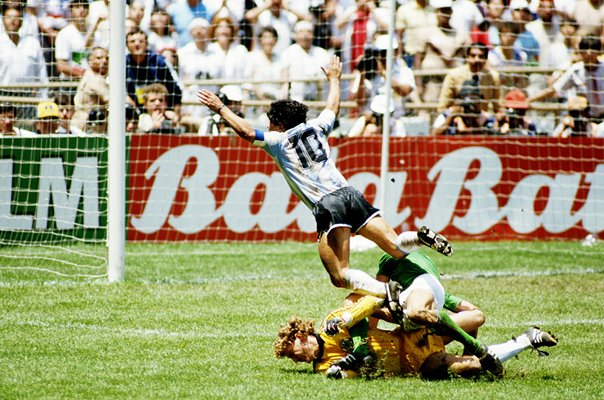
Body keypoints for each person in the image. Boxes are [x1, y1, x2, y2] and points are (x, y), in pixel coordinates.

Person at [197, 55, 453, 308]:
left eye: (271, 123)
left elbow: (247, 132)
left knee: (340, 275)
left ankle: (388, 293)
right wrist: (334, 79)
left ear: (278, 124)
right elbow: (332, 108)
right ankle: (420, 237)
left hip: (328, 205)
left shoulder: (279, 141)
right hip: (350, 193)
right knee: (396, 247)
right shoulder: (318, 127)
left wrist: (221, 108)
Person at [274, 296, 558, 379]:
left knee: (476, 317)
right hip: (416, 365)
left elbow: (369, 301)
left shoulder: (332, 325)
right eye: (291, 357)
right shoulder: (323, 366)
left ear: (301, 334)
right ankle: (525, 340)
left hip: (409, 336)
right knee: (471, 366)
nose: (296, 357)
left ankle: (441, 306)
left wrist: (347, 318)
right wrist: (342, 372)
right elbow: (354, 377)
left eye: (292, 349)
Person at [528, 36, 604, 123]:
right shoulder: (576, 71)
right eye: (585, 51)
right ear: (580, 52)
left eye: (593, 51)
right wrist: (529, 100)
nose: (588, 54)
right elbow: (553, 89)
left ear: (599, 52)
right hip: (585, 119)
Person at [0, 3, 49, 121]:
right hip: (3, 96)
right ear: (3, 20)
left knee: (27, 133)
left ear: (22, 21)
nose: (12, 21)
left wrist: (43, 98)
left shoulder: (32, 43)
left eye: (16, 18)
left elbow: (41, 74)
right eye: (9, 17)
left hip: (28, 97)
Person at [125, 28, 183, 116]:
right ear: (127, 45)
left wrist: (176, 115)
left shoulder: (158, 61)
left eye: (141, 41)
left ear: (146, 43)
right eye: (132, 41)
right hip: (134, 113)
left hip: (161, 110)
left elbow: (175, 89)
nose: (137, 44)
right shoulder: (123, 64)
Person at [437, 43, 502, 115]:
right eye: (473, 56)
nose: (476, 60)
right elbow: (442, 107)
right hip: (457, 117)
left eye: (481, 56)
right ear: (467, 57)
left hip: (482, 119)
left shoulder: (493, 76)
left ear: (486, 59)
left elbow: (498, 106)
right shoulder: (454, 75)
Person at [280, 20, 332, 102]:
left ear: (313, 35)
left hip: (318, 100)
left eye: (308, 31)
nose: (305, 35)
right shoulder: (288, 53)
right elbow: (284, 81)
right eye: (301, 31)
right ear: (296, 35)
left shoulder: (322, 53)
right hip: (295, 101)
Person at [432, 77, 497, 135]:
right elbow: (434, 134)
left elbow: (493, 137)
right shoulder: (448, 114)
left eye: (474, 100)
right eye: (466, 99)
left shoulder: (487, 118)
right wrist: (450, 118)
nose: (470, 105)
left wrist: (474, 121)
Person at [71, 46, 109, 134]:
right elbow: (111, 101)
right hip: (88, 128)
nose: (104, 61)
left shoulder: (87, 74)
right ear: (89, 61)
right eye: (99, 58)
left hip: (79, 125)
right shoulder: (95, 78)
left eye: (106, 58)